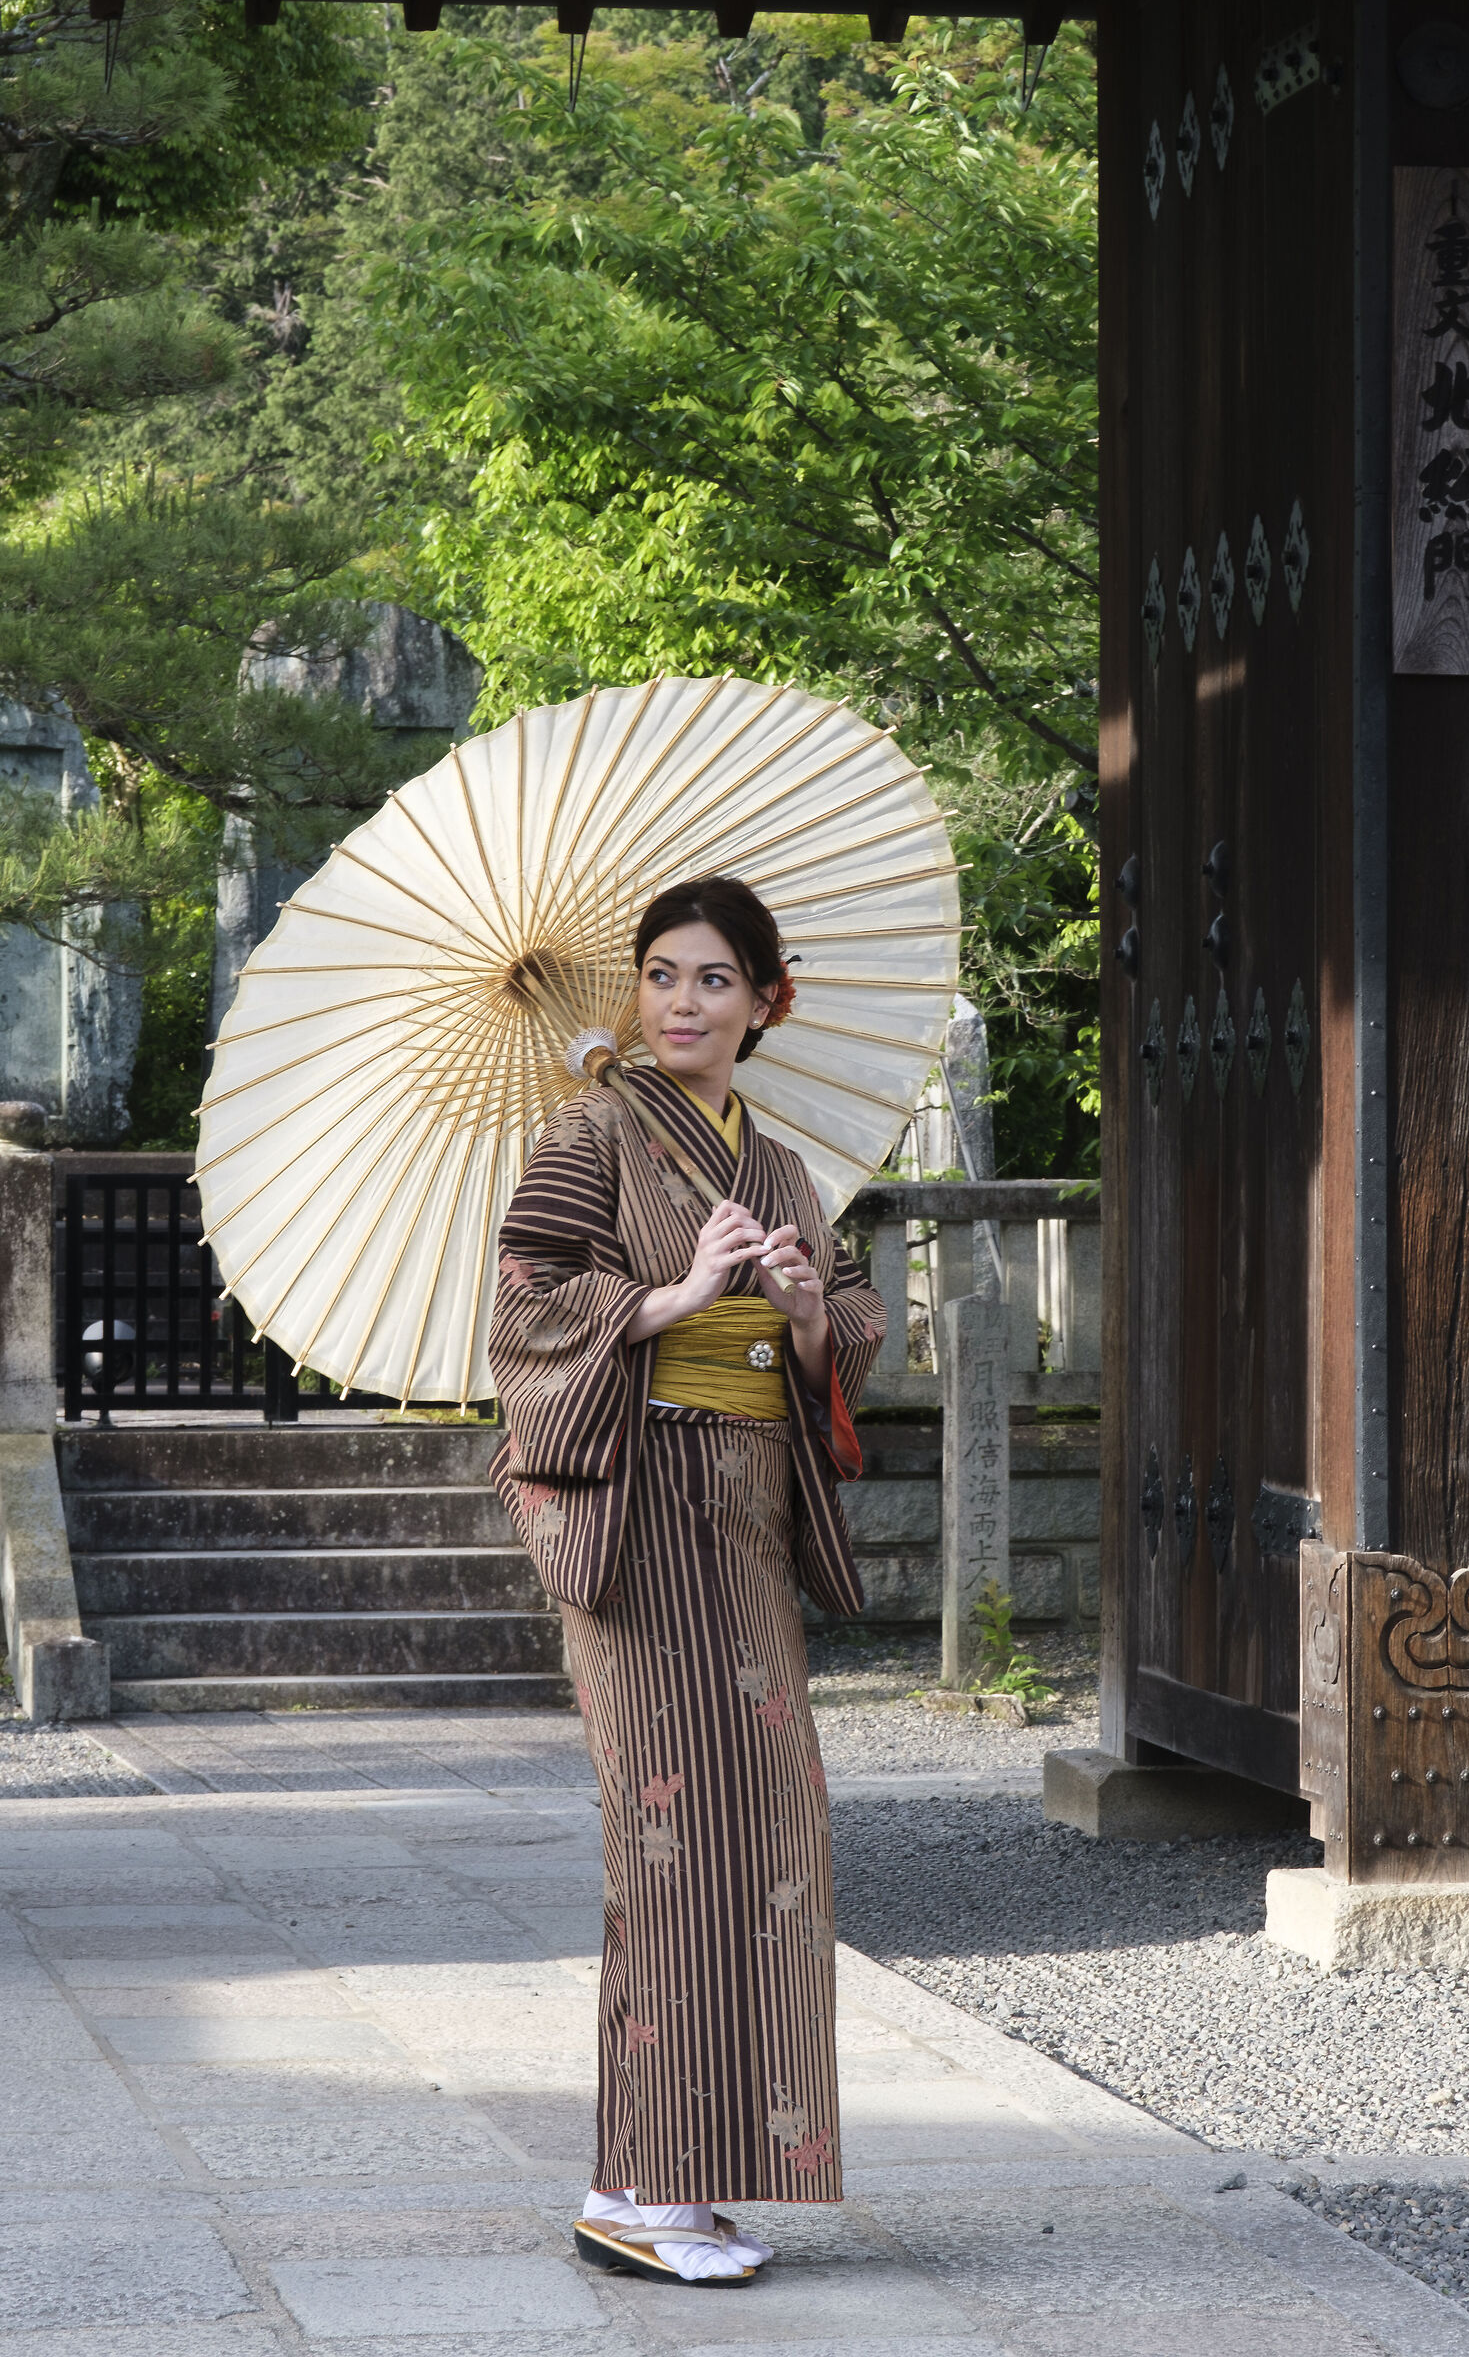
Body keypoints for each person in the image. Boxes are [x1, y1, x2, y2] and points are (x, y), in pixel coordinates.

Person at [487, 873, 886, 2286]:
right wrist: (666, 1297)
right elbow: (525, 1305)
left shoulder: (779, 1170)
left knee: (769, 1833)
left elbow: (842, 1331)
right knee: (661, 1833)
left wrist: (798, 1311)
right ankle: (628, 2187)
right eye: (661, 975)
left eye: (714, 980)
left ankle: (702, 2175)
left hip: (746, 1514)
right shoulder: (587, 1135)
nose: (681, 1003)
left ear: (766, 1001)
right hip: (642, 1502)